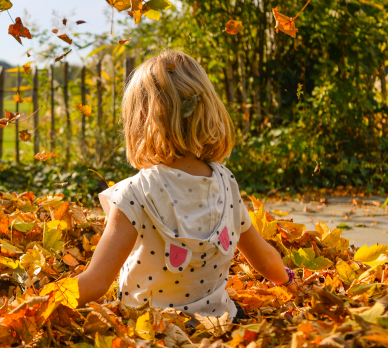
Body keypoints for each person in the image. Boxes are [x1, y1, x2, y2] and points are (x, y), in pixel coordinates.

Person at [75, 50, 295, 323]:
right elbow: (264, 259)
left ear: (142, 118)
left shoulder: (135, 194)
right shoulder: (226, 182)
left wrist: (41, 302)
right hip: (219, 323)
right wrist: (289, 280)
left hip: (152, 331)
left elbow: (96, 282)